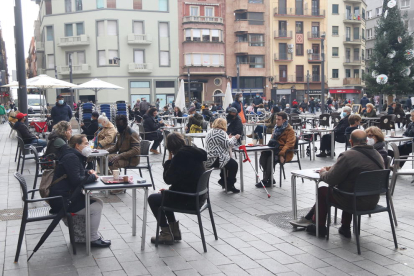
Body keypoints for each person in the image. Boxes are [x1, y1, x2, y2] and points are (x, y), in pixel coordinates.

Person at [296, 130, 384, 238]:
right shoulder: (377, 154)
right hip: (372, 200)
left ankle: (319, 226)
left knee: (323, 190)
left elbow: (330, 179)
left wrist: (323, 171)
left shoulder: (347, 156)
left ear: (350, 141)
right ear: (366, 141)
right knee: (350, 186)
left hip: (354, 201)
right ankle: (345, 227)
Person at [49, 134, 110, 248]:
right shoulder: (72, 157)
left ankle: (86, 236)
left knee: (98, 202)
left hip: (65, 195)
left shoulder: (72, 155)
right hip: (62, 199)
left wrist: (88, 172)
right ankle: (92, 239)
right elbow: (77, 180)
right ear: (77, 145)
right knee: (96, 207)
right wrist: (93, 176)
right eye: (86, 143)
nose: (88, 146)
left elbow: (76, 173)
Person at [148, 133, 207, 244]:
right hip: (200, 196)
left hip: (189, 200)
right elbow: (184, 178)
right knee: (165, 196)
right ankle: (174, 232)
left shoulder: (180, 157)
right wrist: (169, 192)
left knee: (153, 199)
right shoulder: (193, 152)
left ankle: (166, 234)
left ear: (170, 148)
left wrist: (169, 161)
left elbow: (168, 179)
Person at [258, 112, 296, 187]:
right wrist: (265, 148)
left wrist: (282, 154)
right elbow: (271, 141)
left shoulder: (290, 130)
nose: (277, 121)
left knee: (270, 159)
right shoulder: (275, 128)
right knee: (263, 157)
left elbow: (289, 144)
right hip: (274, 150)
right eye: (276, 119)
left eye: (279, 119)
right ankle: (270, 178)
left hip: (284, 151)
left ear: (284, 120)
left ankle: (265, 180)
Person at [206, 118, 240, 193]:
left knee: (228, 163)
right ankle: (230, 185)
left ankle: (223, 181)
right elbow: (228, 144)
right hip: (216, 158)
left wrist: (228, 138)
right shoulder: (220, 132)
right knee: (234, 164)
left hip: (210, 157)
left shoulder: (211, 131)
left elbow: (222, 142)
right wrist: (235, 138)